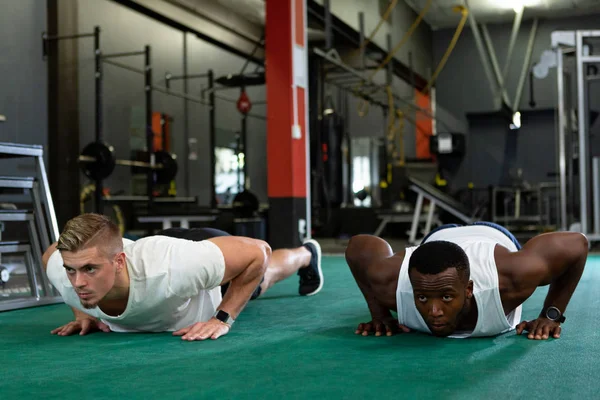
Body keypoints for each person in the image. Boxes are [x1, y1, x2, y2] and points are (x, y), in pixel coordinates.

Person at [42, 213, 323, 341]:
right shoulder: (66, 272)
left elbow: (258, 252)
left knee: (263, 277)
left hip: (195, 251)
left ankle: (306, 253)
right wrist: (82, 313)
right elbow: (50, 254)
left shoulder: (173, 269)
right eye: (71, 269)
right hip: (154, 252)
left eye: (90, 269)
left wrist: (222, 318)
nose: (77, 282)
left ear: (118, 262)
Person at [345, 222, 588, 340]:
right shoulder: (393, 286)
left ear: (470, 289)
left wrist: (551, 315)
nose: (434, 311)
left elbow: (577, 243)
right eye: (422, 298)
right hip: (436, 239)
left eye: (447, 296)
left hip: (491, 234)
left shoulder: (507, 281)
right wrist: (379, 315)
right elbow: (358, 246)